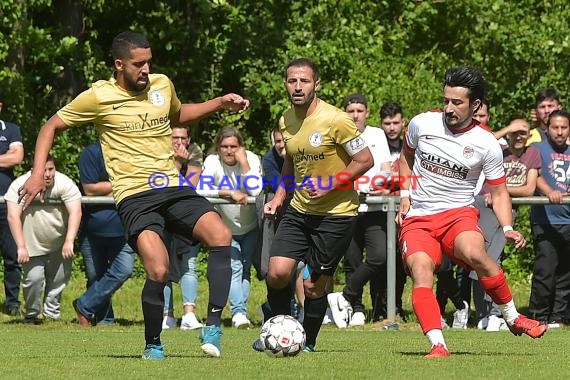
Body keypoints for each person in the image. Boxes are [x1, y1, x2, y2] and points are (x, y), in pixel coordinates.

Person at [17, 31, 249, 360]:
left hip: (171, 184)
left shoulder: (162, 85)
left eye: (149, 63)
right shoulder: (99, 96)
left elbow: (177, 114)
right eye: (138, 64)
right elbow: (50, 126)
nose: (146, 70)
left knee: (221, 234)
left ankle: (211, 325)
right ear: (119, 64)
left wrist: (219, 103)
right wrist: (38, 173)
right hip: (135, 195)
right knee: (158, 268)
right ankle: (153, 344)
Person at [397, 66, 547, 358]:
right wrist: (405, 195)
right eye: (446, 101)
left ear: (475, 105)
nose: (449, 108)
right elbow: (405, 156)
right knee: (421, 269)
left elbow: (500, 191)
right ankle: (438, 345)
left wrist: (506, 228)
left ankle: (513, 317)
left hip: (458, 214)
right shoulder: (421, 123)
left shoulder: (486, 143)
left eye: (457, 102)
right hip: (419, 217)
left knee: (477, 254)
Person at [252, 58, 373, 352]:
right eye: (292, 81)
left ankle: (307, 341)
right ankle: (279, 332)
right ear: (285, 84)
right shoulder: (286, 120)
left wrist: (331, 184)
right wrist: (280, 197)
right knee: (278, 272)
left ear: (316, 84)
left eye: (304, 81)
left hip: (335, 215)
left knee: (312, 287)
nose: (298, 86)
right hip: (298, 210)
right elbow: (290, 163)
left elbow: (365, 160)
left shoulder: (337, 120)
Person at [327, 93, 391, 328]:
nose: (355, 115)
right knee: (352, 260)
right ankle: (356, 309)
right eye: (351, 111)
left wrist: (375, 184)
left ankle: (344, 295)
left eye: (359, 111)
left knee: (379, 256)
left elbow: (385, 169)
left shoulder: (377, 134)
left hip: (374, 206)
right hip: (347, 206)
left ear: (367, 113)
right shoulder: (337, 135)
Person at [198, 127, 263, 329]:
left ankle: (239, 311)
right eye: (224, 146)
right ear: (218, 147)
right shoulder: (211, 161)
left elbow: (256, 189)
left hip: (250, 225)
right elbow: (202, 190)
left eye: (234, 146)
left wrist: (244, 163)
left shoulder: (251, 159)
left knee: (245, 269)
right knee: (234, 267)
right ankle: (239, 313)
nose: (229, 151)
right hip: (225, 226)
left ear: (241, 147)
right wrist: (228, 192)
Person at [5, 155, 81, 324]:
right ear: (33, 170)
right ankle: (31, 314)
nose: (48, 174)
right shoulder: (19, 184)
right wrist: (21, 246)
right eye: (44, 170)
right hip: (31, 243)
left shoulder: (65, 183)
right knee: (33, 279)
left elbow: (76, 211)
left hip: (59, 242)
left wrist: (69, 240)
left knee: (59, 280)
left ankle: (52, 314)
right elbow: (12, 216)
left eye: (51, 169)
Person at [73, 142, 135, 326]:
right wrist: (121, 186)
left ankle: (84, 305)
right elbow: (90, 190)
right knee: (96, 277)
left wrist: (110, 189)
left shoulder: (130, 151)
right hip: (93, 229)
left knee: (124, 270)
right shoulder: (90, 154)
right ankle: (104, 319)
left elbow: (137, 184)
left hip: (124, 227)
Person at [528, 109, 570, 328]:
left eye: (564, 127)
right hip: (546, 220)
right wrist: (548, 191)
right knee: (546, 270)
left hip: (568, 221)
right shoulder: (537, 149)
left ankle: (558, 317)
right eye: (555, 127)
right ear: (547, 128)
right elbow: (535, 176)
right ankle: (537, 316)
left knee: (565, 272)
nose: (560, 132)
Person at [162, 126, 204, 331]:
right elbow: (158, 185)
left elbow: (189, 186)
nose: (179, 142)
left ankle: (189, 315)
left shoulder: (195, 152)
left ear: (189, 139)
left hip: (186, 216)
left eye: (183, 138)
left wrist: (177, 167)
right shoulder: (157, 151)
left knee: (190, 264)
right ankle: (167, 315)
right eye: (174, 138)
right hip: (161, 214)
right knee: (163, 266)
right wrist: (178, 163)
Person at [372, 101, 408, 322]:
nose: (392, 127)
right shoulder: (377, 145)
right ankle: (377, 307)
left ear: (402, 122)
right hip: (378, 210)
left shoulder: (409, 147)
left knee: (400, 262)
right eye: (387, 123)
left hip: (402, 209)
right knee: (380, 260)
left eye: (396, 122)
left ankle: (397, 306)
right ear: (381, 124)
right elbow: (376, 179)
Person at [0, 97, 24, 317]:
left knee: (12, 255)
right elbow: (8, 157)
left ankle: (12, 303)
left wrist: (9, 157)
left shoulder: (12, 130)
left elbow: (17, 157)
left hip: (5, 202)